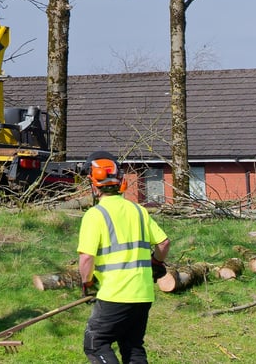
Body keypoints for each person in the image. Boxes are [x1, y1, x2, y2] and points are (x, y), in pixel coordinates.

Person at [78, 151, 170, 364]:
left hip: (114, 294)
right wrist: (156, 262)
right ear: (120, 182)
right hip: (143, 295)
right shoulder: (138, 211)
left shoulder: (95, 215)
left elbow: (86, 259)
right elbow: (164, 243)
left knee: (96, 343)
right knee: (133, 347)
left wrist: (86, 282)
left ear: (93, 185)